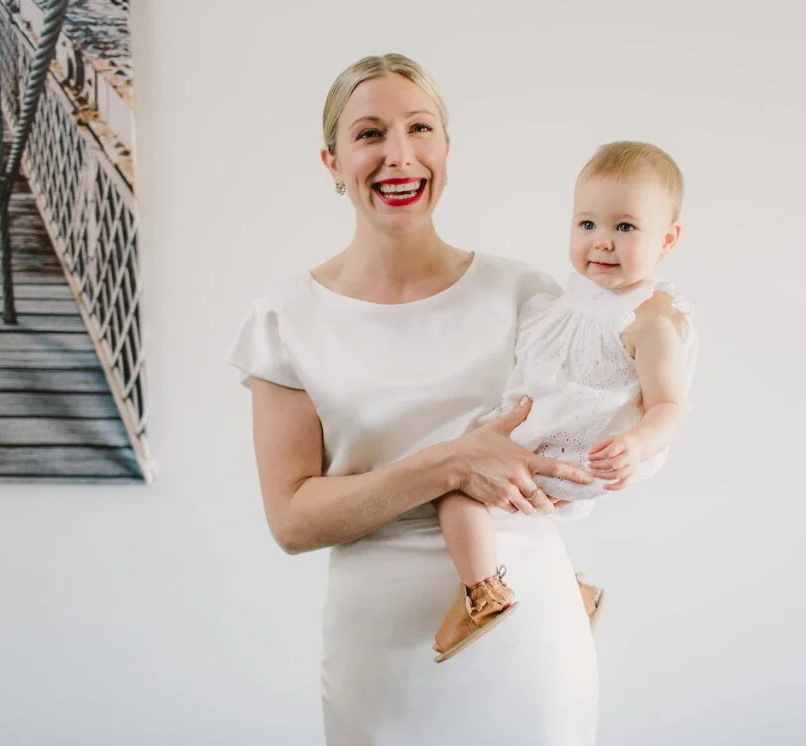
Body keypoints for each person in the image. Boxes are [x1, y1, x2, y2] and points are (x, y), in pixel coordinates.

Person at [228, 53, 602, 745]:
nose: (398, 155)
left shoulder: (524, 294)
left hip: (531, 639)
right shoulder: (285, 316)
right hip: (381, 656)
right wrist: (449, 464)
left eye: (420, 128)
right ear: (332, 162)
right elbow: (292, 521)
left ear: (446, 150)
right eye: (369, 134)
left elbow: (581, 432)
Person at [432, 141, 699, 661]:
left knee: (456, 488)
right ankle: (573, 593)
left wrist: (638, 444)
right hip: (545, 429)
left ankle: (483, 595)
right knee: (494, 503)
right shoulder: (581, 293)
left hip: (578, 451)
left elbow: (670, 406)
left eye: (625, 227)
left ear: (667, 239)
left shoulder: (649, 320)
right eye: (587, 224)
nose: (602, 241)